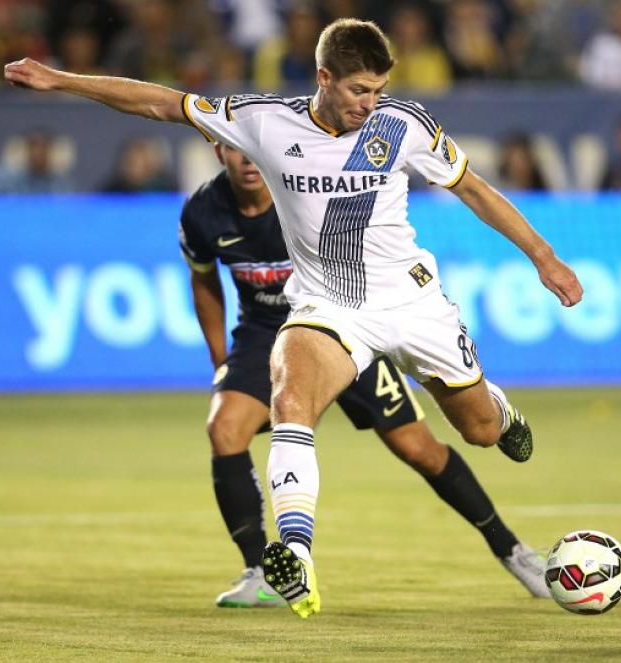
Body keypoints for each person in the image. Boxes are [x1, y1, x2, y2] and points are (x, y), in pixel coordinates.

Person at [4, 17, 583, 620]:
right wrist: (61, 80)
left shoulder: (402, 125)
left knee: (480, 432)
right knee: (291, 400)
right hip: (328, 309)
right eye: (360, 89)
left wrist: (543, 257)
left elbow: (476, 190)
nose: (371, 102)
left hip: (413, 306)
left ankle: (497, 405)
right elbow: (159, 103)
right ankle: (295, 556)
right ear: (323, 77)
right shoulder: (263, 121)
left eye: (380, 89)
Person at [182, 141, 550, 607]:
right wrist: (221, 361)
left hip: (341, 323)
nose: (249, 160)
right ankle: (263, 571)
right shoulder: (202, 213)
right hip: (264, 336)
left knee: (420, 449)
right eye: (235, 152)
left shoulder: (303, 191)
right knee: (224, 428)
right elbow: (203, 279)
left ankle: (513, 551)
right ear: (218, 151)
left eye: (253, 151)